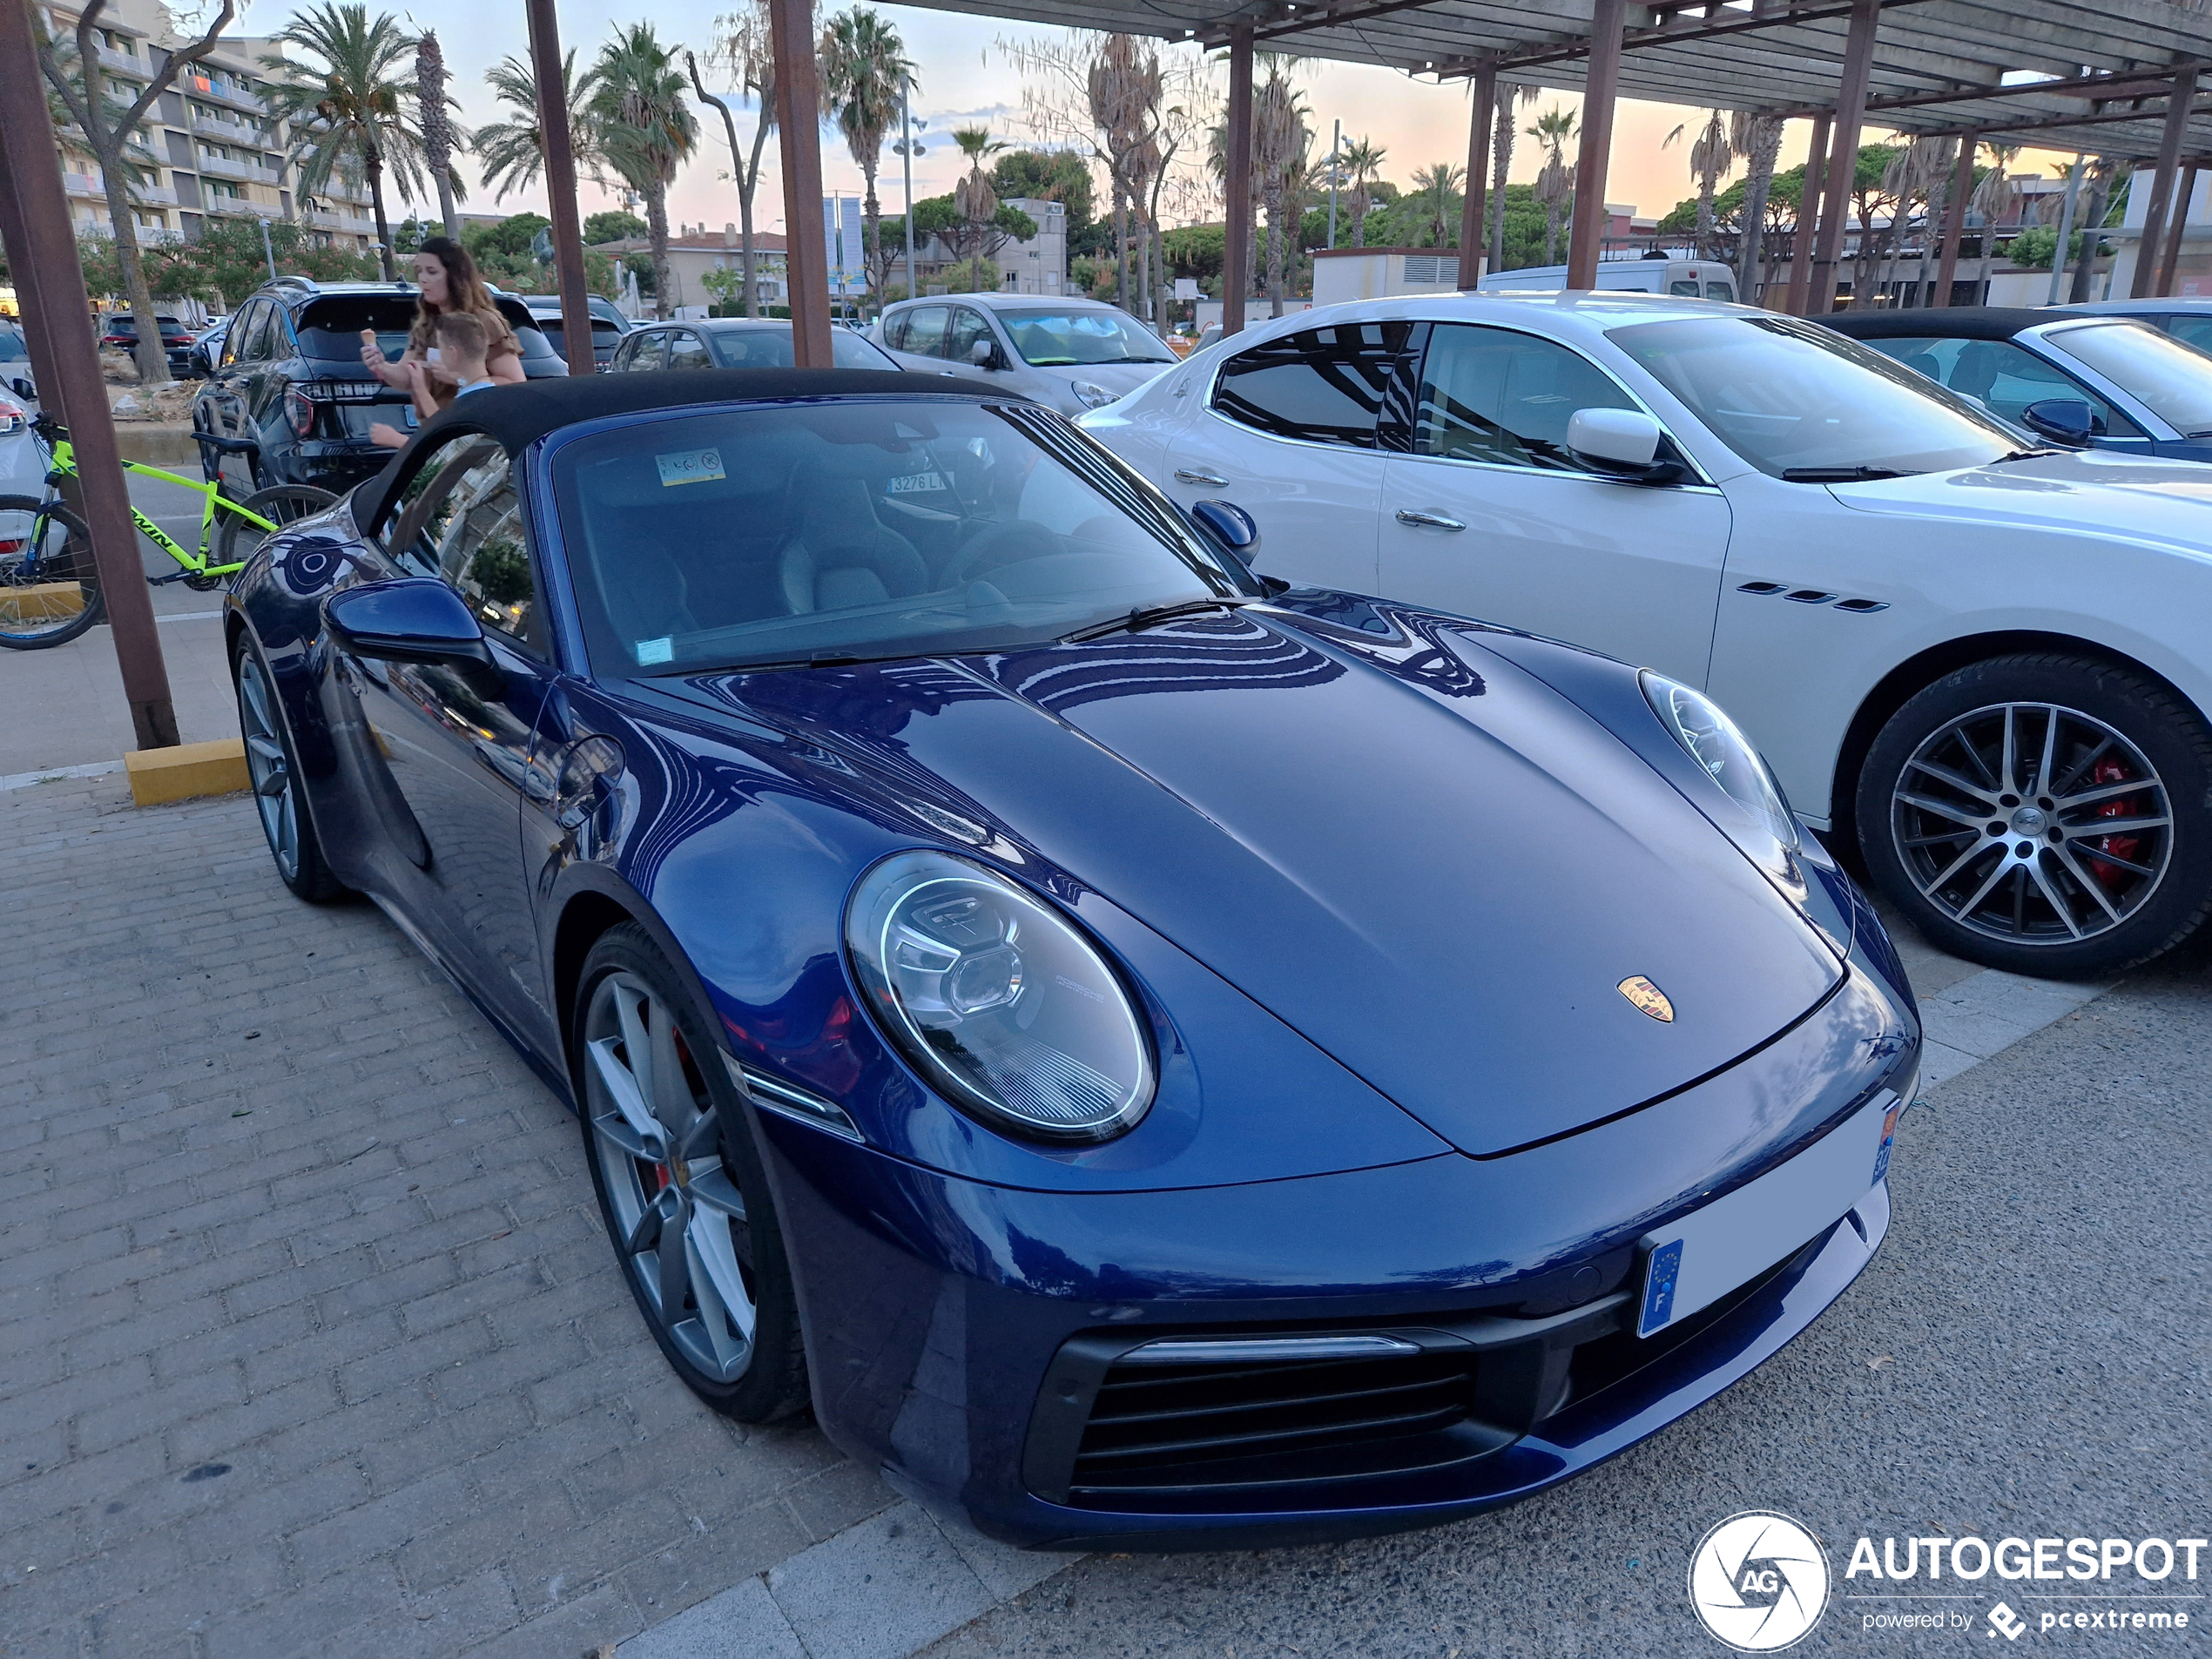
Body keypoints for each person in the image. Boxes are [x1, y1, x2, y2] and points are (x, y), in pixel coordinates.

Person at [359, 236, 523, 410]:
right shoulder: (427, 323)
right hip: (440, 427)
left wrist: (459, 378)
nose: (423, 279)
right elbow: (407, 378)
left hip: (475, 427)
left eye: (432, 271)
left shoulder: (484, 321)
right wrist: (382, 366)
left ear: (455, 276)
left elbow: (515, 383)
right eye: (419, 271)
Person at [369, 313, 498, 448]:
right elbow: (443, 425)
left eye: (440, 347)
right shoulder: (486, 393)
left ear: (453, 353)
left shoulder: (468, 403)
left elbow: (447, 449)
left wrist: (395, 440)